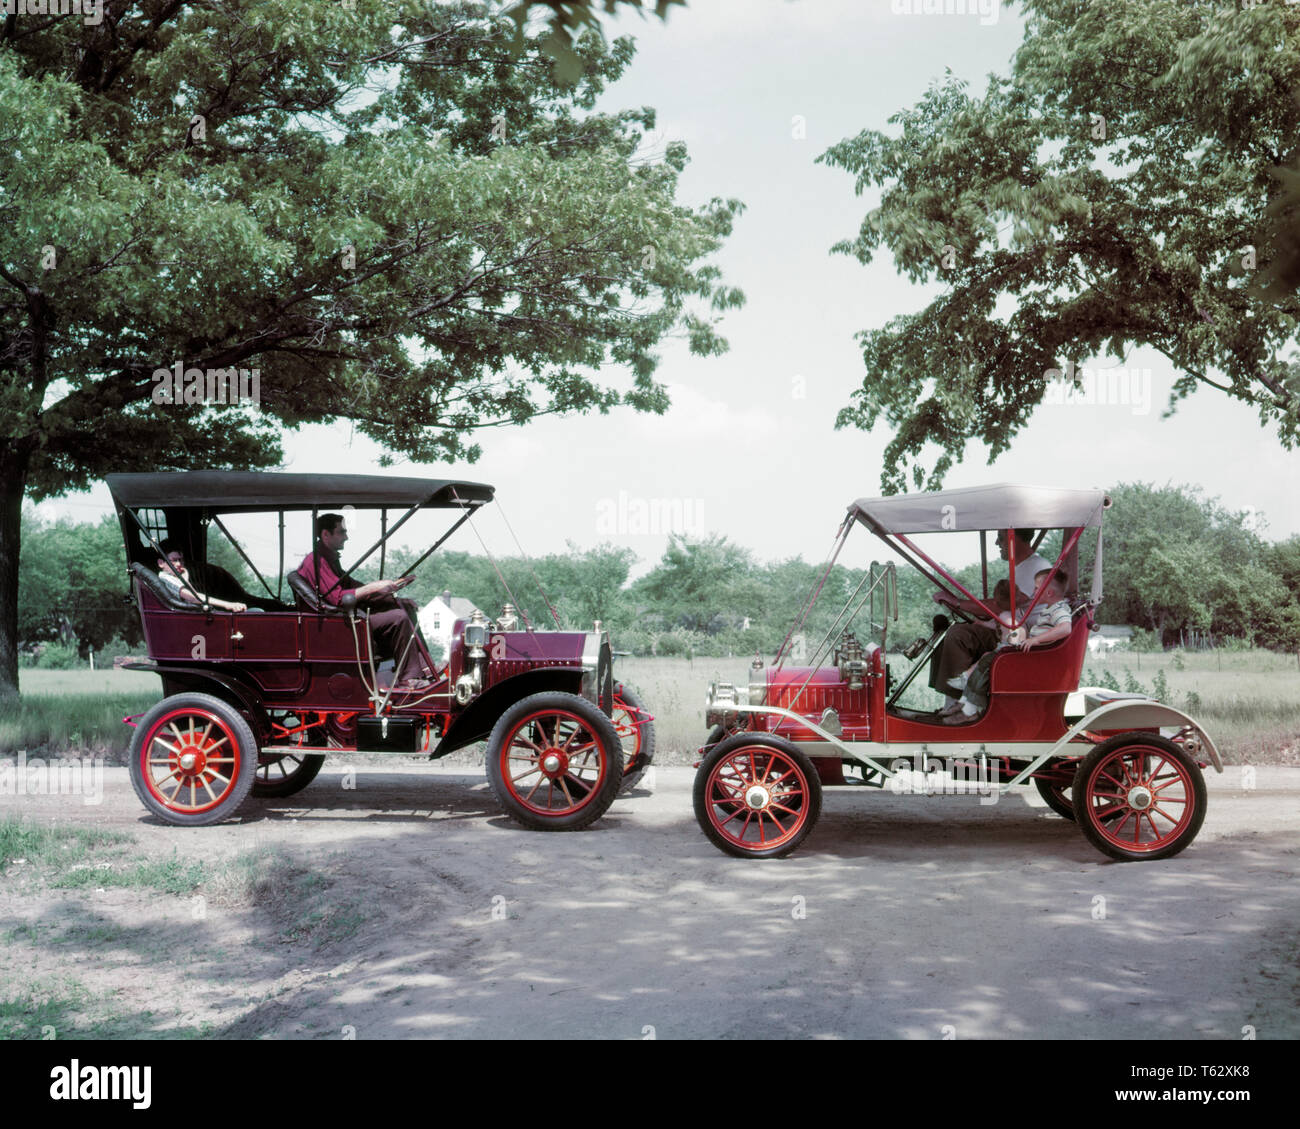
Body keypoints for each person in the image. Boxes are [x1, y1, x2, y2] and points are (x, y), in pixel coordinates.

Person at [297, 513, 430, 690]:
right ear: (325, 534)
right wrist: (375, 587)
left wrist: (386, 592)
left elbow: (351, 586)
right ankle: (408, 679)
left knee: (405, 607)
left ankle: (425, 669)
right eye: (341, 532)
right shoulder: (316, 561)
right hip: (335, 624)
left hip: (346, 618)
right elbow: (337, 598)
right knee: (398, 618)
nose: (346, 537)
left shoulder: (329, 559)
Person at [928, 528, 1051, 715]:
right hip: (1011, 631)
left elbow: (1000, 605)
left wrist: (957, 602)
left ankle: (961, 709)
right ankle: (952, 702)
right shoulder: (1025, 567)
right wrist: (983, 621)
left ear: (1015, 539)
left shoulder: (1034, 566)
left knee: (958, 635)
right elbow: (1007, 609)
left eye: (1001, 538)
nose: (997, 544)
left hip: (1021, 640)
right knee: (952, 633)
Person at [944, 567, 1073, 721]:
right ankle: (964, 700)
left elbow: (1065, 628)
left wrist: (1035, 640)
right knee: (987, 656)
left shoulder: (1059, 610)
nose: (1033, 591)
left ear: (1049, 593)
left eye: (1036, 588)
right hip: (1033, 652)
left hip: (1036, 656)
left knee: (992, 660)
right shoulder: (1051, 608)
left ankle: (970, 710)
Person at [156, 544, 248, 613]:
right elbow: (194, 598)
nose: (179, 564)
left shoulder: (174, 578)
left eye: (181, 560)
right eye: (174, 560)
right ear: (161, 563)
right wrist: (228, 605)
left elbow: (194, 596)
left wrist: (186, 581)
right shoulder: (166, 578)